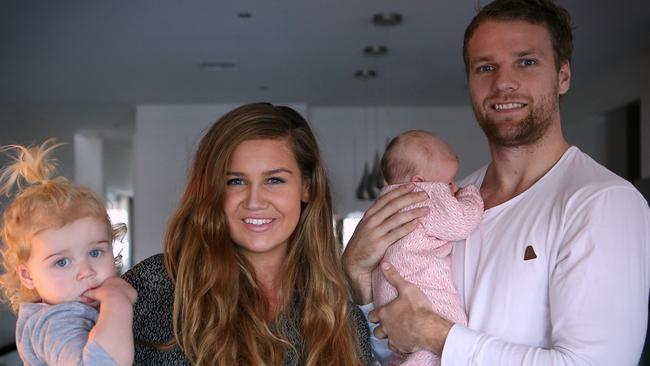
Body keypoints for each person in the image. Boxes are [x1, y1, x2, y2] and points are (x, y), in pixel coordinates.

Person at [342, 0, 650, 365]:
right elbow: (391, 349)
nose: (503, 83)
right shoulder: (447, 201)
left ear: (563, 76)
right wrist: (358, 275)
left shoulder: (602, 202)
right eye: (485, 67)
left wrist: (438, 335)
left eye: (527, 61)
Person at [122, 103, 374, 365]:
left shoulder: (343, 321)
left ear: (306, 187)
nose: (255, 201)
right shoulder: (154, 286)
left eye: (274, 180)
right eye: (236, 181)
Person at [0, 140, 137, 366]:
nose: (86, 271)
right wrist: (118, 302)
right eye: (62, 262)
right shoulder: (58, 321)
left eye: (95, 252)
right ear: (27, 276)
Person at [372, 130, 483, 365]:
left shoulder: (387, 199)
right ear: (419, 182)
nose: (454, 186)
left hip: (388, 291)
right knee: (448, 339)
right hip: (421, 290)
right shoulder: (424, 196)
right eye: (450, 181)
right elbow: (461, 223)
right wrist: (471, 194)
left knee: (405, 351)